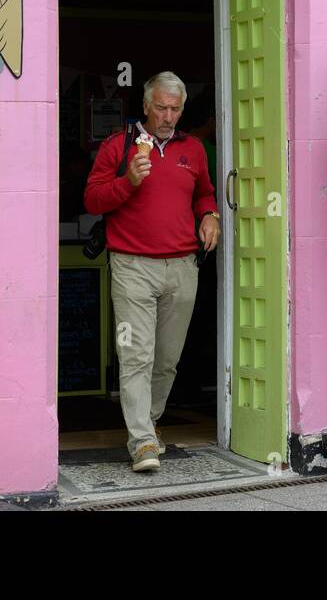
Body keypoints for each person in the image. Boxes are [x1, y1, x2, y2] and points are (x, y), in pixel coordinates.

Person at [84, 71, 220, 472]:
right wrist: (127, 181)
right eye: (160, 107)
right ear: (145, 106)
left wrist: (209, 214)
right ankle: (142, 441)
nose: (167, 116)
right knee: (136, 356)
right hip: (132, 265)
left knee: (167, 360)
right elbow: (92, 199)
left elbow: (205, 192)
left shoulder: (193, 149)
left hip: (181, 266)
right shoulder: (118, 146)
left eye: (175, 109)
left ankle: (151, 421)